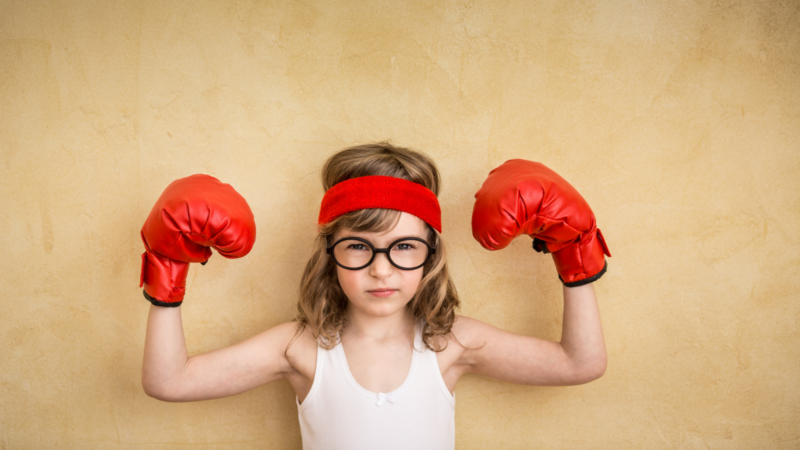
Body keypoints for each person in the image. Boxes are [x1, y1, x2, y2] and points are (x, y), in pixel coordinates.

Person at [140, 142, 610, 450]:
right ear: (330, 253)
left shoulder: (450, 344)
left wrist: (575, 253)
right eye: (359, 247)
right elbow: (170, 381)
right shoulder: (299, 347)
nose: (381, 268)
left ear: (430, 255)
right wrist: (168, 270)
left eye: (404, 247)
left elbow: (580, 363)